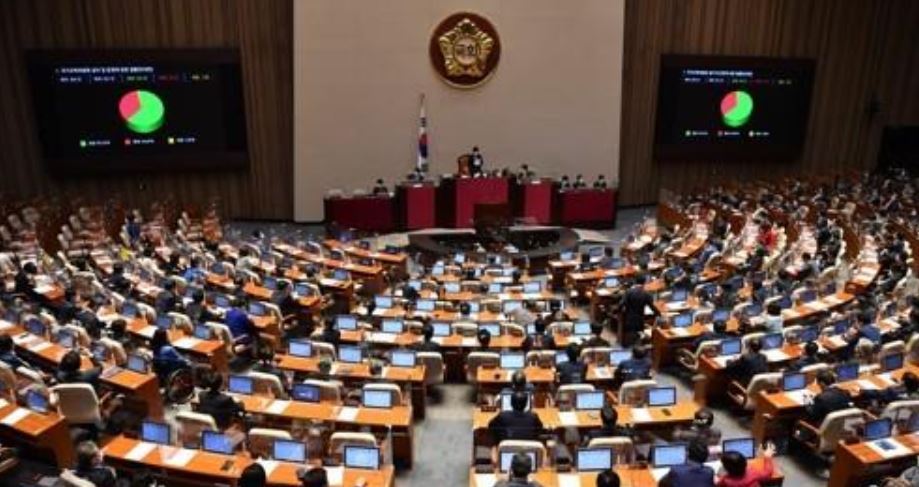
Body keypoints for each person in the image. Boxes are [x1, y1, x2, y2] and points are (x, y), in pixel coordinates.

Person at [621, 276, 660, 346]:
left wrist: (616, 311)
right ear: (644, 282)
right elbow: (652, 307)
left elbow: (622, 304)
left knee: (629, 335)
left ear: (635, 281)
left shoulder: (629, 292)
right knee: (639, 335)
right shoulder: (646, 294)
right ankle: (638, 348)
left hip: (629, 317)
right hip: (640, 318)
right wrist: (658, 314)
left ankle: (628, 347)